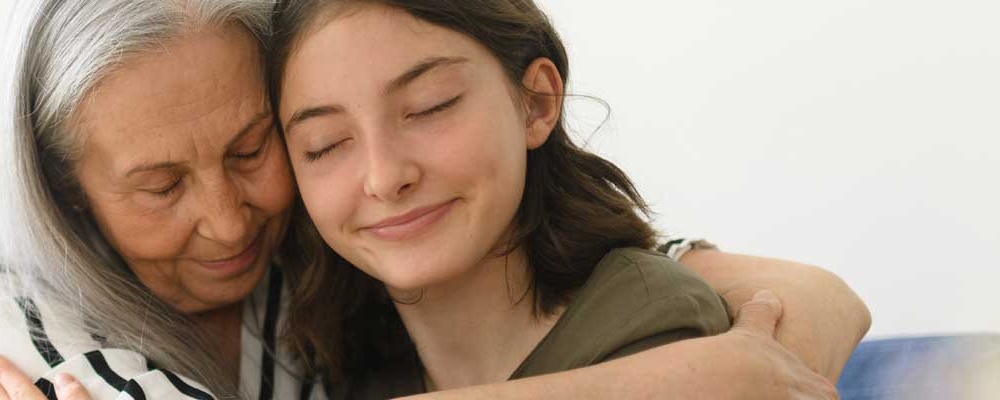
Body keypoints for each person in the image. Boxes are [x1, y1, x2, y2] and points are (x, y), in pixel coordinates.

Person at [0, 0, 867, 399]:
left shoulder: (324, 255)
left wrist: (761, 353)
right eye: (160, 186)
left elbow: (785, 293)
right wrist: (685, 385)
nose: (231, 219)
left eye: (256, 150)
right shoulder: (5, 320)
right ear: (67, 196)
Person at [270, 0, 736, 396]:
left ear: (536, 102)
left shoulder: (660, 332)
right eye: (325, 144)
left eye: (431, 107)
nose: (385, 177)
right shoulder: (334, 372)